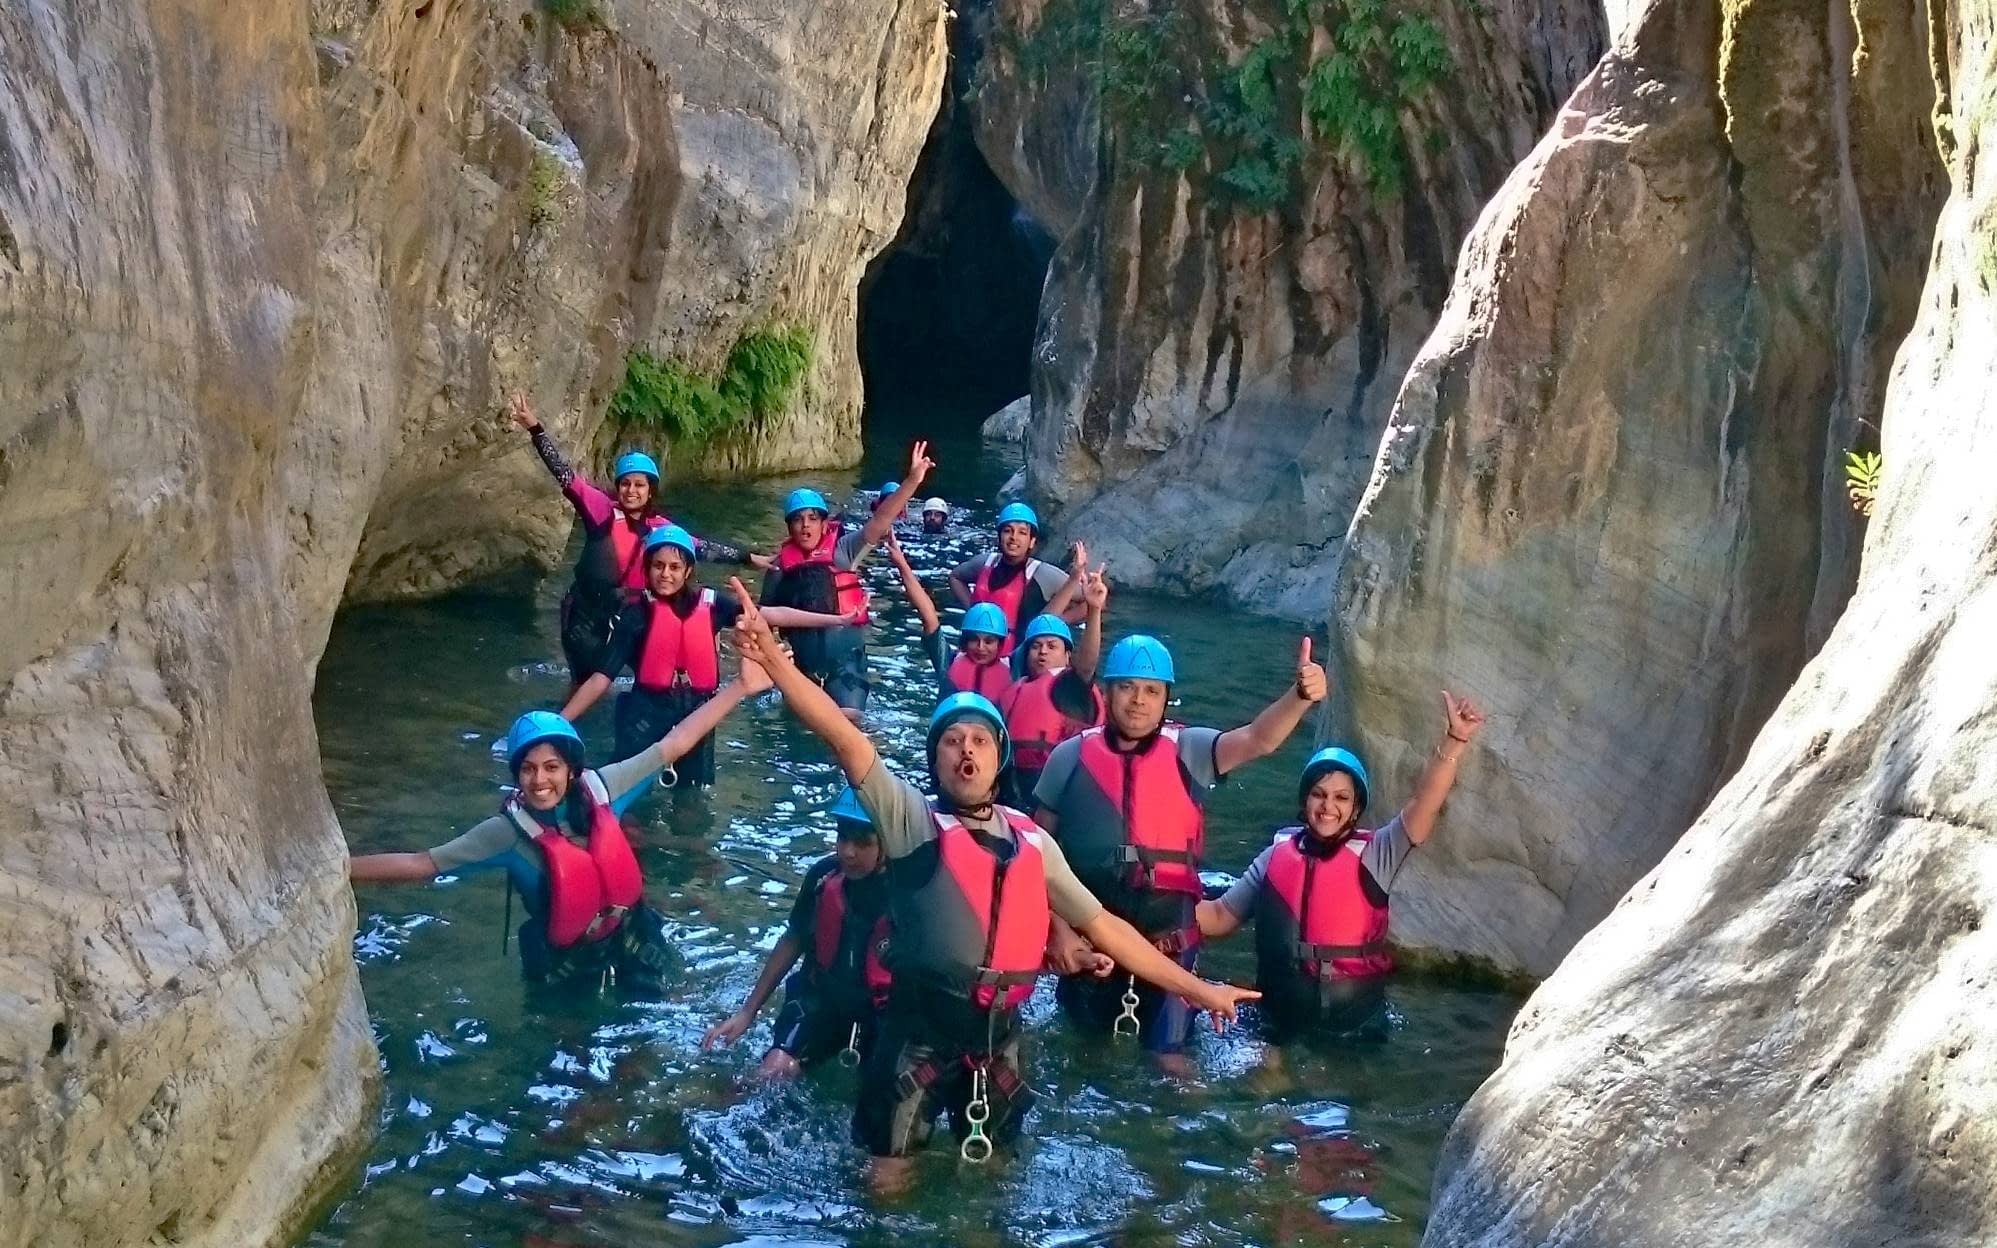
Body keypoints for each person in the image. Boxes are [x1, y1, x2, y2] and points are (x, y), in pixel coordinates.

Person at [724, 580, 1258, 1189]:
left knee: (996, 1183)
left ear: (1000, 757)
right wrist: (773, 661)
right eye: (952, 742)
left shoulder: (1032, 840)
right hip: (917, 1038)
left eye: (979, 740)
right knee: (889, 1177)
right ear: (936, 760)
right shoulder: (913, 824)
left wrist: (1200, 989)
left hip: (999, 1040)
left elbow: (1108, 930)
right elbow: (846, 740)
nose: (966, 751)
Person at [347, 666, 770, 989]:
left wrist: (740, 686)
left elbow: (674, 744)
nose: (539, 780)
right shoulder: (506, 833)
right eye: (527, 769)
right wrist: (340, 867)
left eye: (551, 767)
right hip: (562, 961)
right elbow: (424, 864)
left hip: (631, 934)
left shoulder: (604, 788)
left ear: (571, 770)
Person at [1033, 634, 1327, 1073]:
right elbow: (1034, 858)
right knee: (1083, 1062)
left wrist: (1300, 697)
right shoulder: (1068, 758)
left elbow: (1258, 739)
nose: (1138, 701)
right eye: (1127, 687)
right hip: (1091, 948)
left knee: (1171, 1064)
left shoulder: (1189, 751)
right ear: (1107, 692)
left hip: (1172, 942)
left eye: (1151, 691)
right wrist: (1058, 931)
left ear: (1166, 698)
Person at [1197, 693, 1487, 1041]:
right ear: (1304, 801)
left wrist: (1455, 740)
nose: (1327, 806)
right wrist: (1142, 919)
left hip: (1356, 1026)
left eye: (1341, 798)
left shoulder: (1378, 853)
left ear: (1355, 808)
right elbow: (1218, 917)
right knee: (1266, 1081)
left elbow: (1424, 804)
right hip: (1281, 1020)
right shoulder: (1274, 857)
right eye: (1318, 794)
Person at [557, 525, 853, 786]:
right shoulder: (635, 615)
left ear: (687, 571)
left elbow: (770, 614)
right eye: (658, 566)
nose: (665, 574)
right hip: (643, 718)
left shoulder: (711, 605)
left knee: (691, 806)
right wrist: (561, 722)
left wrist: (833, 620)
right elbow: (601, 678)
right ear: (647, 569)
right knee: (633, 802)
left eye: (674, 567)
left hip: (699, 716)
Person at [509, 393, 749, 688]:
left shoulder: (661, 529)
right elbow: (564, 473)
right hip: (585, 616)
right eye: (625, 484)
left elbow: (704, 548)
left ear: (651, 490)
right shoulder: (600, 510)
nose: (631, 491)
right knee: (583, 683)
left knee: (653, 678)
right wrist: (536, 429)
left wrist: (750, 558)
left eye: (639, 485)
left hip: (631, 615)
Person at [699, 787, 891, 1078]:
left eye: (862, 842)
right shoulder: (823, 878)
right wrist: (748, 1012)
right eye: (843, 838)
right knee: (774, 1070)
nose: (847, 852)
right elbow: (794, 939)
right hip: (822, 1001)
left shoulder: (909, 894)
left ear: (887, 843)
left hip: (881, 1015)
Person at [754, 443, 934, 720]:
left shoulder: (844, 551)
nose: (805, 526)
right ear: (789, 528)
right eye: (798, 520)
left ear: (825, 524)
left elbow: (882, 519)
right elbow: (761, 620)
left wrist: (912, 480)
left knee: (849, 727)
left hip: (846, 666)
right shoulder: (779, 568)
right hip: (802, 669)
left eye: (813, 518)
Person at [997, 572, 1108, 803]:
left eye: (1051, 646)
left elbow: (1087, 665)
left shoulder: (1071, 685)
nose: (1043, 651)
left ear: (1068, 656)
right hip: (1015, 789)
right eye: (1036, 646)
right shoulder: (1013, 690)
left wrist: (1094, 611)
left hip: (1062, 792)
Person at [886, 531, 1014, 703]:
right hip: (952, 726)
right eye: (974, 640)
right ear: (965, 640)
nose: (981, 647)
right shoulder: (949, 661)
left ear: (1000, 644)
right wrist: (902, 564)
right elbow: (928, 615)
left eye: (989, 641)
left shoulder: (1014, 668)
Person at [948, 503, 1083, 656]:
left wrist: (1057, 623)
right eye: (1007, 531)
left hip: (1015, 660)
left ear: (1032, 541)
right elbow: (955, 577)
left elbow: (1089, 601)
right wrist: (972, 610)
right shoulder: (984, 563)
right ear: (999, 536)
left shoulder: (1043, 574)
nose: (1014, 538)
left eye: (1022, 533)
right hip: (975, 651)